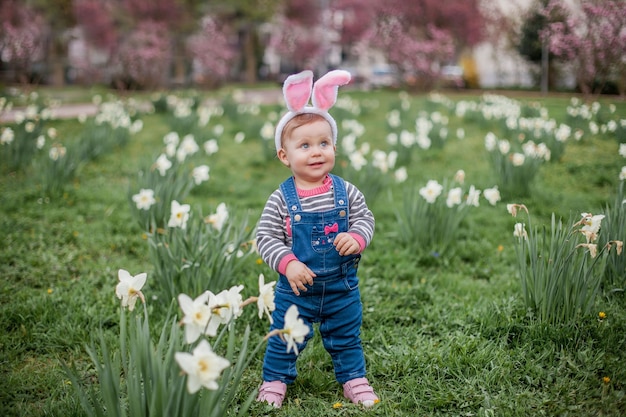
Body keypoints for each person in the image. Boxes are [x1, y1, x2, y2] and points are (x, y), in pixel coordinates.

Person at [255, 70, 379, 408]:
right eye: (305, 145)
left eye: (323, 144)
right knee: (284, 339)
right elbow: (264, 236)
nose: (316, 152)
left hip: (342, 288)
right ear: (285, 156)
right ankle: (275, 381)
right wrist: (288, 262)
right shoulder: (281, 199)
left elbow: (366, 218)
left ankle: (354, 380)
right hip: (296, 289)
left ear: (334, 147)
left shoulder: (346, 192)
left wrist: (356, 236)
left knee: (346, 338)